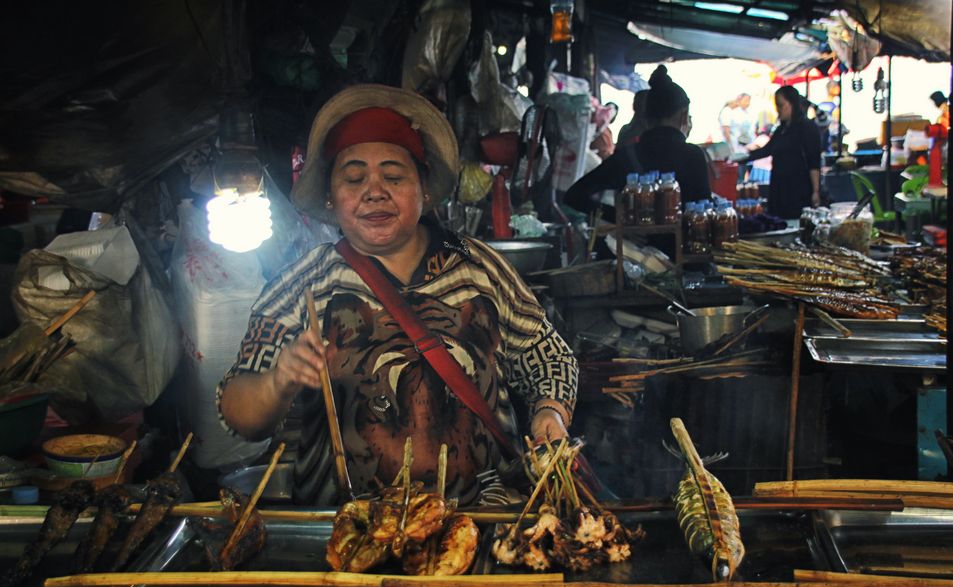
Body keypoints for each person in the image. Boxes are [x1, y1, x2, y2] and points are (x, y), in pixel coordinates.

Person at [217, 84, 579, 505]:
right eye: (354, 178)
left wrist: (550, 412)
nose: (375, 191)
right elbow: (239, 414)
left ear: (424, 191)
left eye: (394, 176)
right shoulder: (304, 282)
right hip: (347, 539)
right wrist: (277, 381)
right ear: (331, 197)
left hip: (486, 526)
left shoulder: (476, 263)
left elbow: (548, 355)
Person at [564, 65, 711, 214]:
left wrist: (619, 218)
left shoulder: (627, 156)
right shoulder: (693, 155)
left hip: (632, 238)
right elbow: (704, 210)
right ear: (683, 115)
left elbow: (574, 196)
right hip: (686, 238)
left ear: (645, 118)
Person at [741, 85, 822, 218]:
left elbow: (814, 162)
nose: (778, 110)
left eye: (781, 105)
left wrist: (815, 191)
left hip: (798, 189)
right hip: (779, 188)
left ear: (792, 104)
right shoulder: (781, 130)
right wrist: (743, 157)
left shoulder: (807, 128)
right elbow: (767, 150)